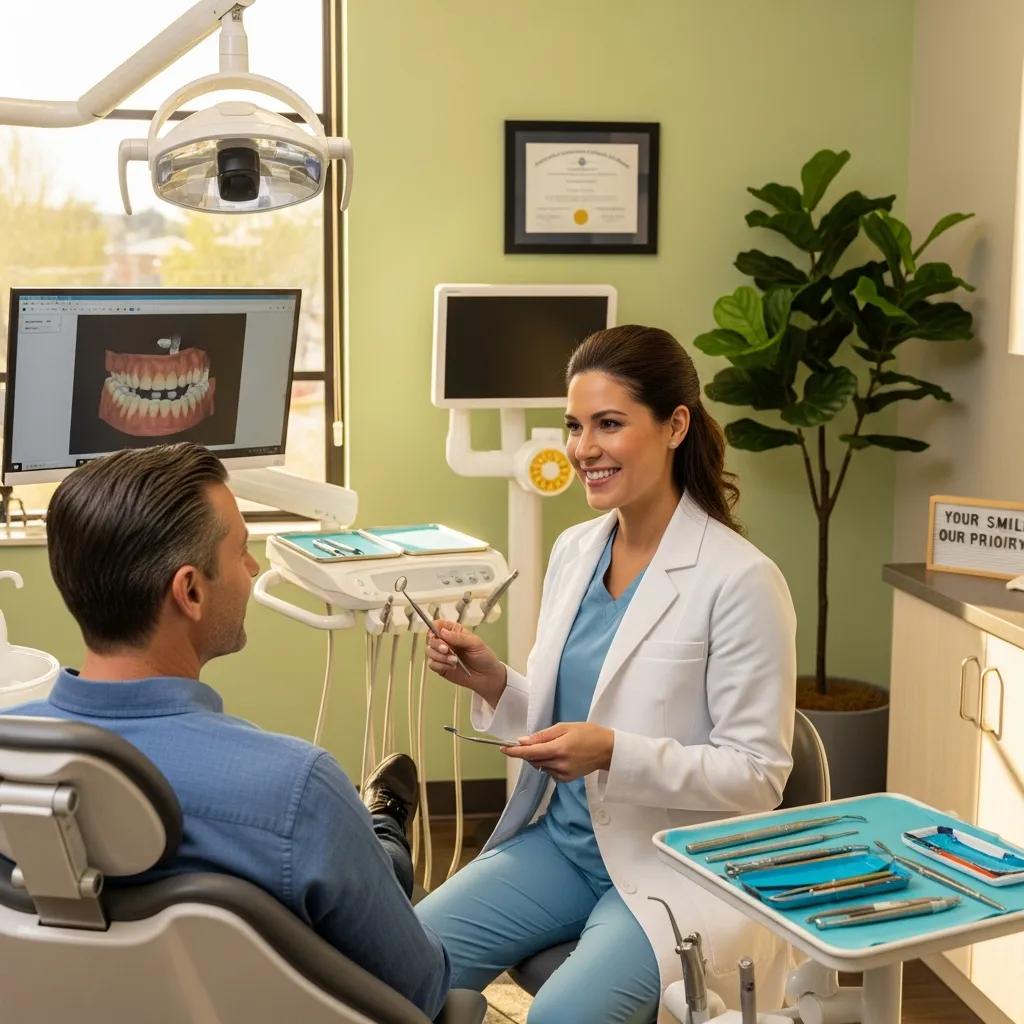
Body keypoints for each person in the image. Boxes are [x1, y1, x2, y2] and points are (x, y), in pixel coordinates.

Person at [417, 325, 797, 1023]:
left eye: (609, 424)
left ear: (675, 426)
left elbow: (757, 774)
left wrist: (614, 753)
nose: (583, 448)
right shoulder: (574, 550)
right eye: (575, 426)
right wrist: (494, 681)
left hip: (672, 867)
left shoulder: (740, 579)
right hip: (563, 848)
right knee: (398, 961)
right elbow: (578, 714)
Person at [1, 443, 450, 1018]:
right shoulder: (295, 790)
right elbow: (422, 990)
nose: (254, 568)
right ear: (190, 591)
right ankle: (383, 831)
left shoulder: (9, 762)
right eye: (241, 551)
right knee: (372, 855)